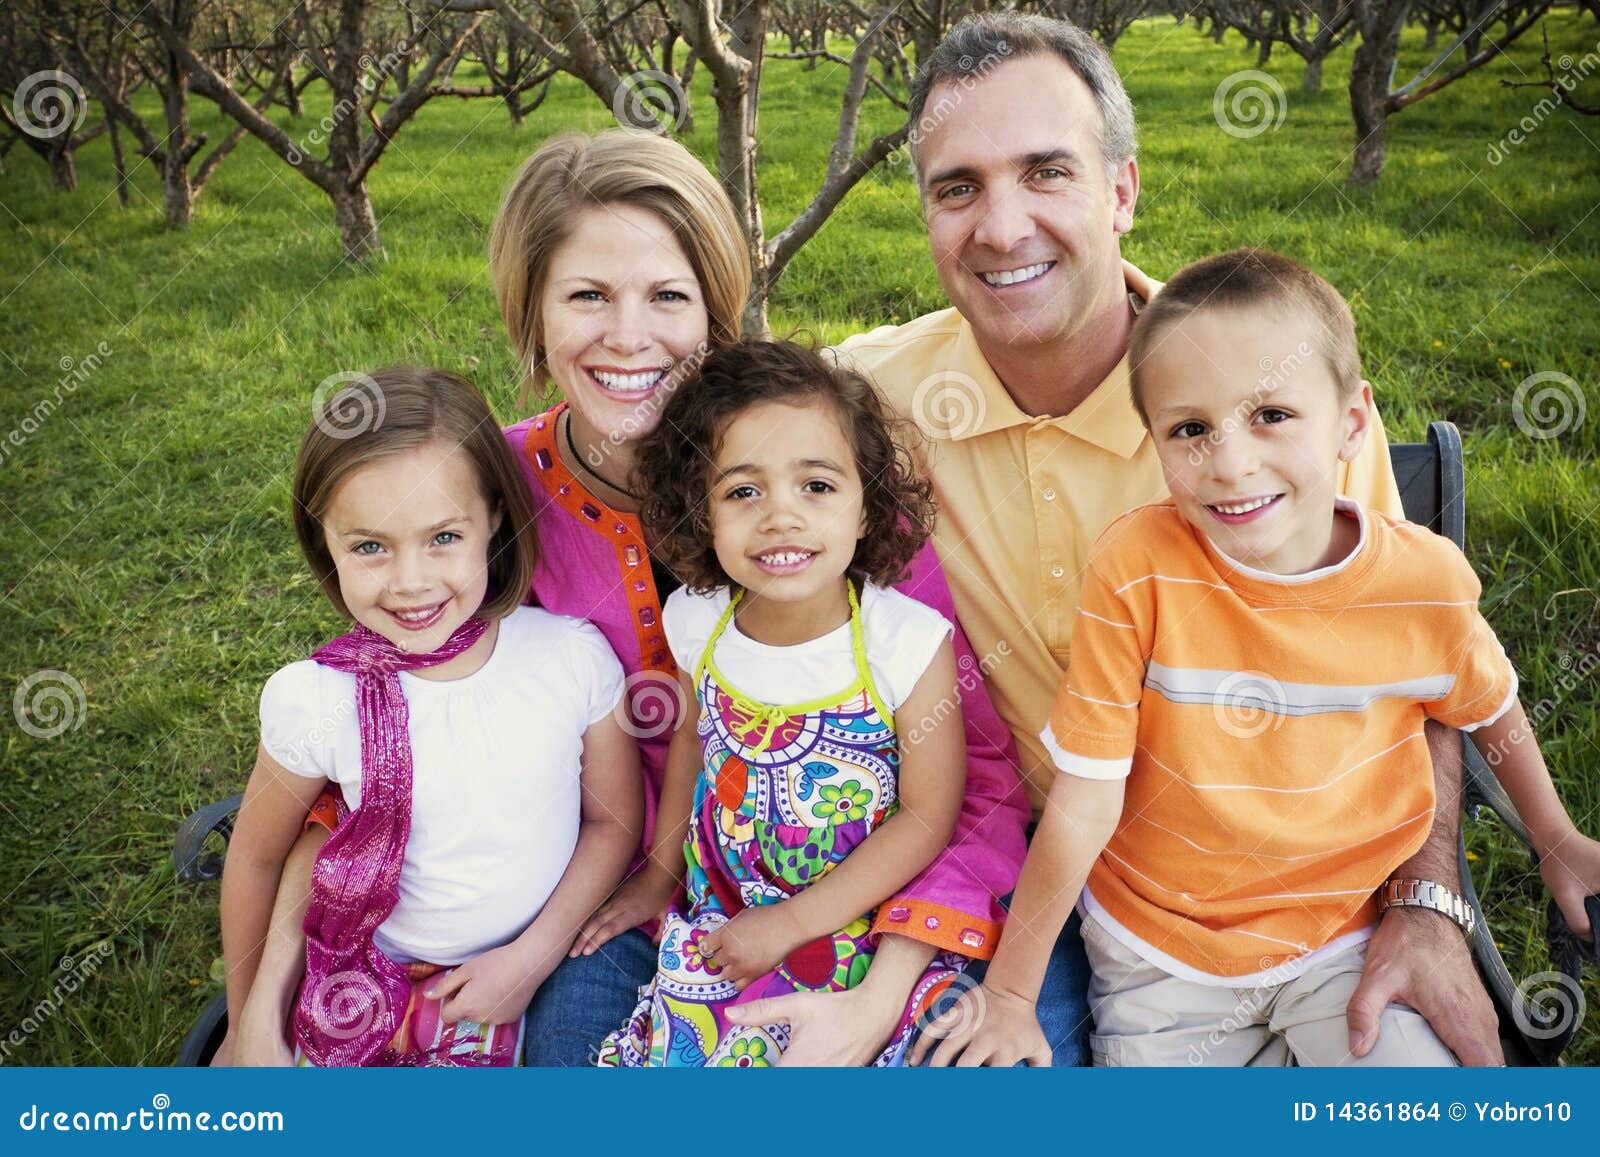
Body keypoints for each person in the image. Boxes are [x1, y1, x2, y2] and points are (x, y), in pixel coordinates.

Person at [218, 130, 1030, 1067]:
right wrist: (259, 1003)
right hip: (616, 907)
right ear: (532, 314)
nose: (630, 336)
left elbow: (977, 773)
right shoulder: (477, 502)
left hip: (876, 899)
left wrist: (883, 990)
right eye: (588, 296)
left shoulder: (824, 496)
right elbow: (383, 738)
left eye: (668, 296)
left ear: (719, 311)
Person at [836, 11, 1503, 1065]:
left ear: (1123, 190)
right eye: (956, 187)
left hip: (1317, 896)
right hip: (1057, 890)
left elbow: (1417, 662)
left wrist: (1426, 895)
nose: (1000, 227)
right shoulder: (870, 403)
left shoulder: (1269, 408)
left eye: (1045, 171)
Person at [914, 249, 1600, 1066]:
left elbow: (1485, 704)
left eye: (1271, 414)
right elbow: (1085, 800)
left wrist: (1555, 838)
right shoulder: (1137, 568)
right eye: (1191, 429)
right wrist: (1012, 995)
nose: (1230, 464)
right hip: (1157, 954)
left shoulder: (1421, 580)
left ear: (1352, 422)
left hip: (1345, 934)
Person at [218, 366, 643, 1066]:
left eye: (443, 537)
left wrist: (530, 958)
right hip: (368, 971)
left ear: (495, 518)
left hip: (545, 956)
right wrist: (245, 1025)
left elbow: (613, 824)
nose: (410, 581)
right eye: (369, 546)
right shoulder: (316, 698)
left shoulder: (570, 658)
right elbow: (257, 858)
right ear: (324, 540)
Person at [585, 339, 968, 1066]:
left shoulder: (904, 642)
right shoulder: (698, 618)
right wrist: (659, 877)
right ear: (702, 513)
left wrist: (790, 922)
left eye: (817, 486)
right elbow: (694, 746)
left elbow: (926, 818)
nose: (781, 517)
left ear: (866, 508)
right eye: (742, 491)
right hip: (724, 924)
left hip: (862, 929)